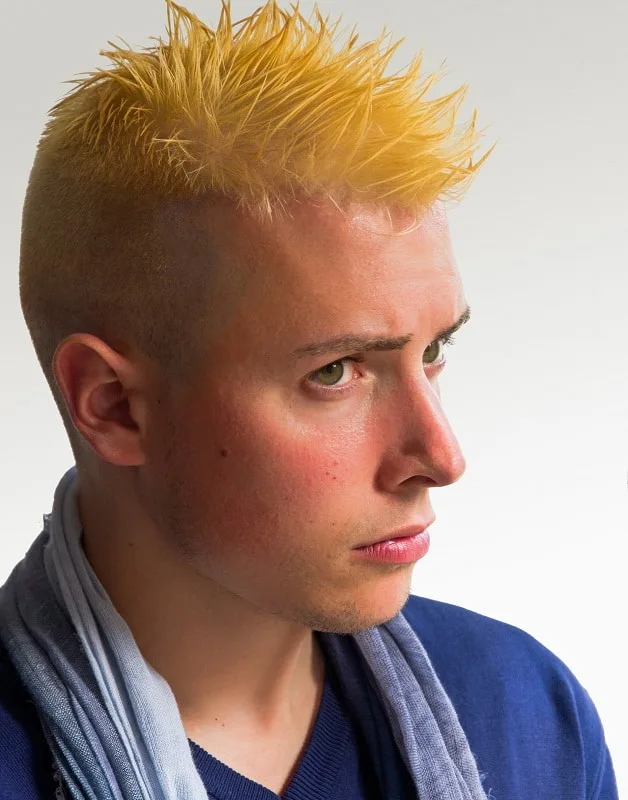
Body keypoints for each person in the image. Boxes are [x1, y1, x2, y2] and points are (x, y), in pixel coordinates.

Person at [0, 1, 618, 798]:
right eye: (336, 371)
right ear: (114, 404)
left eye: (433, 352)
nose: (441, 457)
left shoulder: (524, 712)